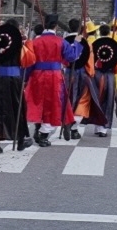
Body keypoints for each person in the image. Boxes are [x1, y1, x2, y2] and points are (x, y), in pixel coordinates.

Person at [25, 14, 83, 147]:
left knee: (38, 102)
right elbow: (72, 57)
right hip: (54, 76)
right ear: (55, 26)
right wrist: (77, 43)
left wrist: (26, 77)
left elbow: (29, 62)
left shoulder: (35, 42)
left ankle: (38, 128)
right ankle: (43, 133)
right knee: (53, 104)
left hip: (37, 75)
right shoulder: (60, 41)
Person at [0, 20, 34, 150]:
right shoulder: (20, 46)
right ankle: (20, 139)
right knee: (17, 109)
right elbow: (28, 61)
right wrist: (29, 45)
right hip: (14, 79)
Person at [90, 24, 117, 137]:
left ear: (99, 32)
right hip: (109, 75)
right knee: (108, 101)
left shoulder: (93, 44)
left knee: (97, 99)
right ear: (109, 32)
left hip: (96, 74)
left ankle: (97, 126)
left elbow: (89, 60)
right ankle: (103, 128)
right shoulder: (113, 45)